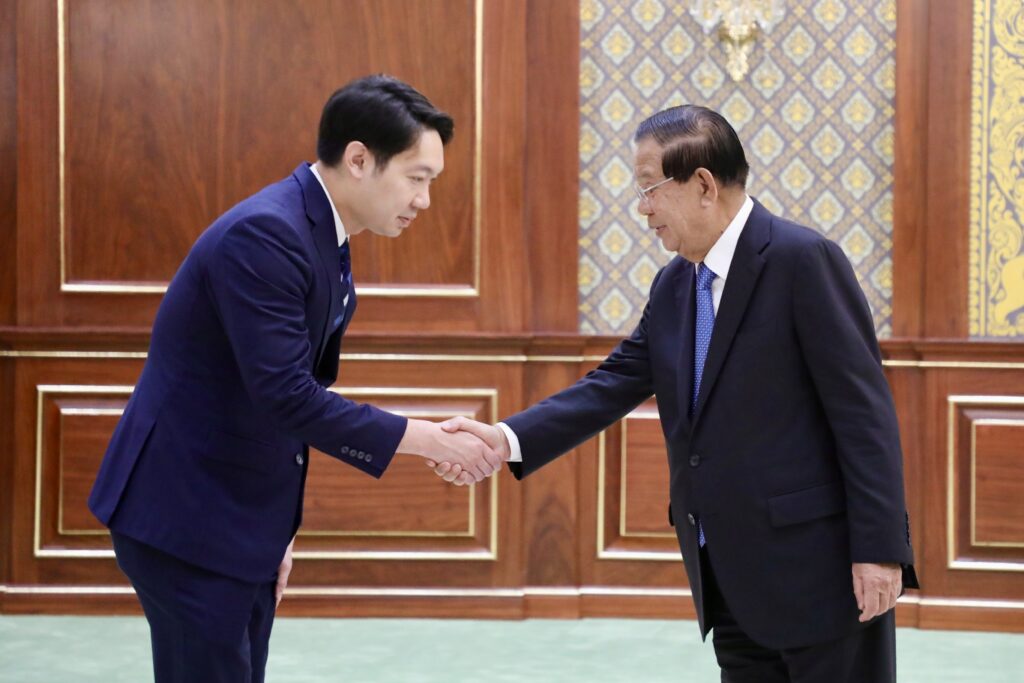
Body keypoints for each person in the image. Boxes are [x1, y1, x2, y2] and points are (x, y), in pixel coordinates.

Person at [435, 105, 918, 682]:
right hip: (728, 579)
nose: (642, 208)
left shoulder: (801, 260)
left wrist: (880, 550)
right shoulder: (675, 284)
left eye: (649, 189)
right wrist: (505, 438)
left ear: (704, 185)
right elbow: (614, 382)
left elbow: (864, 415)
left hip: (821, 574)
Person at [88, 75, 502, 683]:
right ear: (358, 159)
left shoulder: (319, 232)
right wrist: (429, 440)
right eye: (417, 178)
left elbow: (282, 397)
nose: (424, 201)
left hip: (236, 515)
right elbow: (287, 395)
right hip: (187, 515)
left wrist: (274, 534)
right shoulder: (267, 234)